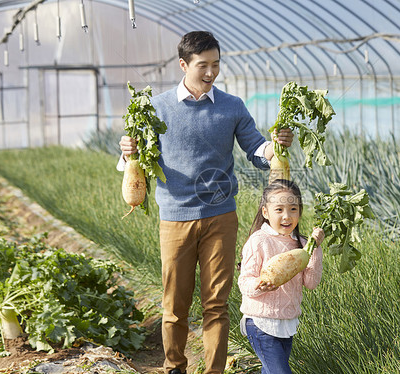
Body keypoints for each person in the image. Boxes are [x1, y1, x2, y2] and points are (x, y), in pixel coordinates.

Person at [117, 31, 294, 374]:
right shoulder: (157, 108)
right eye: (203, 65)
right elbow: (133, 164)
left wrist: (276, 146)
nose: (211, 72)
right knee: (174, 305)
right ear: (184, 64)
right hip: (175, 217)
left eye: (216, 64)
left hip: (220, 216)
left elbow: (257, 150)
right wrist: (128, 153)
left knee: (216, 305)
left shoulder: (232, 107)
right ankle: (174, 367)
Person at [238, 179, 324, 374]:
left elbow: (311, 283)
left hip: (287, 321)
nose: (287, 216)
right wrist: (260, 284)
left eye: (293, 209)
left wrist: (315, 249)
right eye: (279, 210)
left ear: (300, 211)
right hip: (260, 322)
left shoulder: (302, 244)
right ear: (265, 212)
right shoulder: (259, 241)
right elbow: (244, 281)